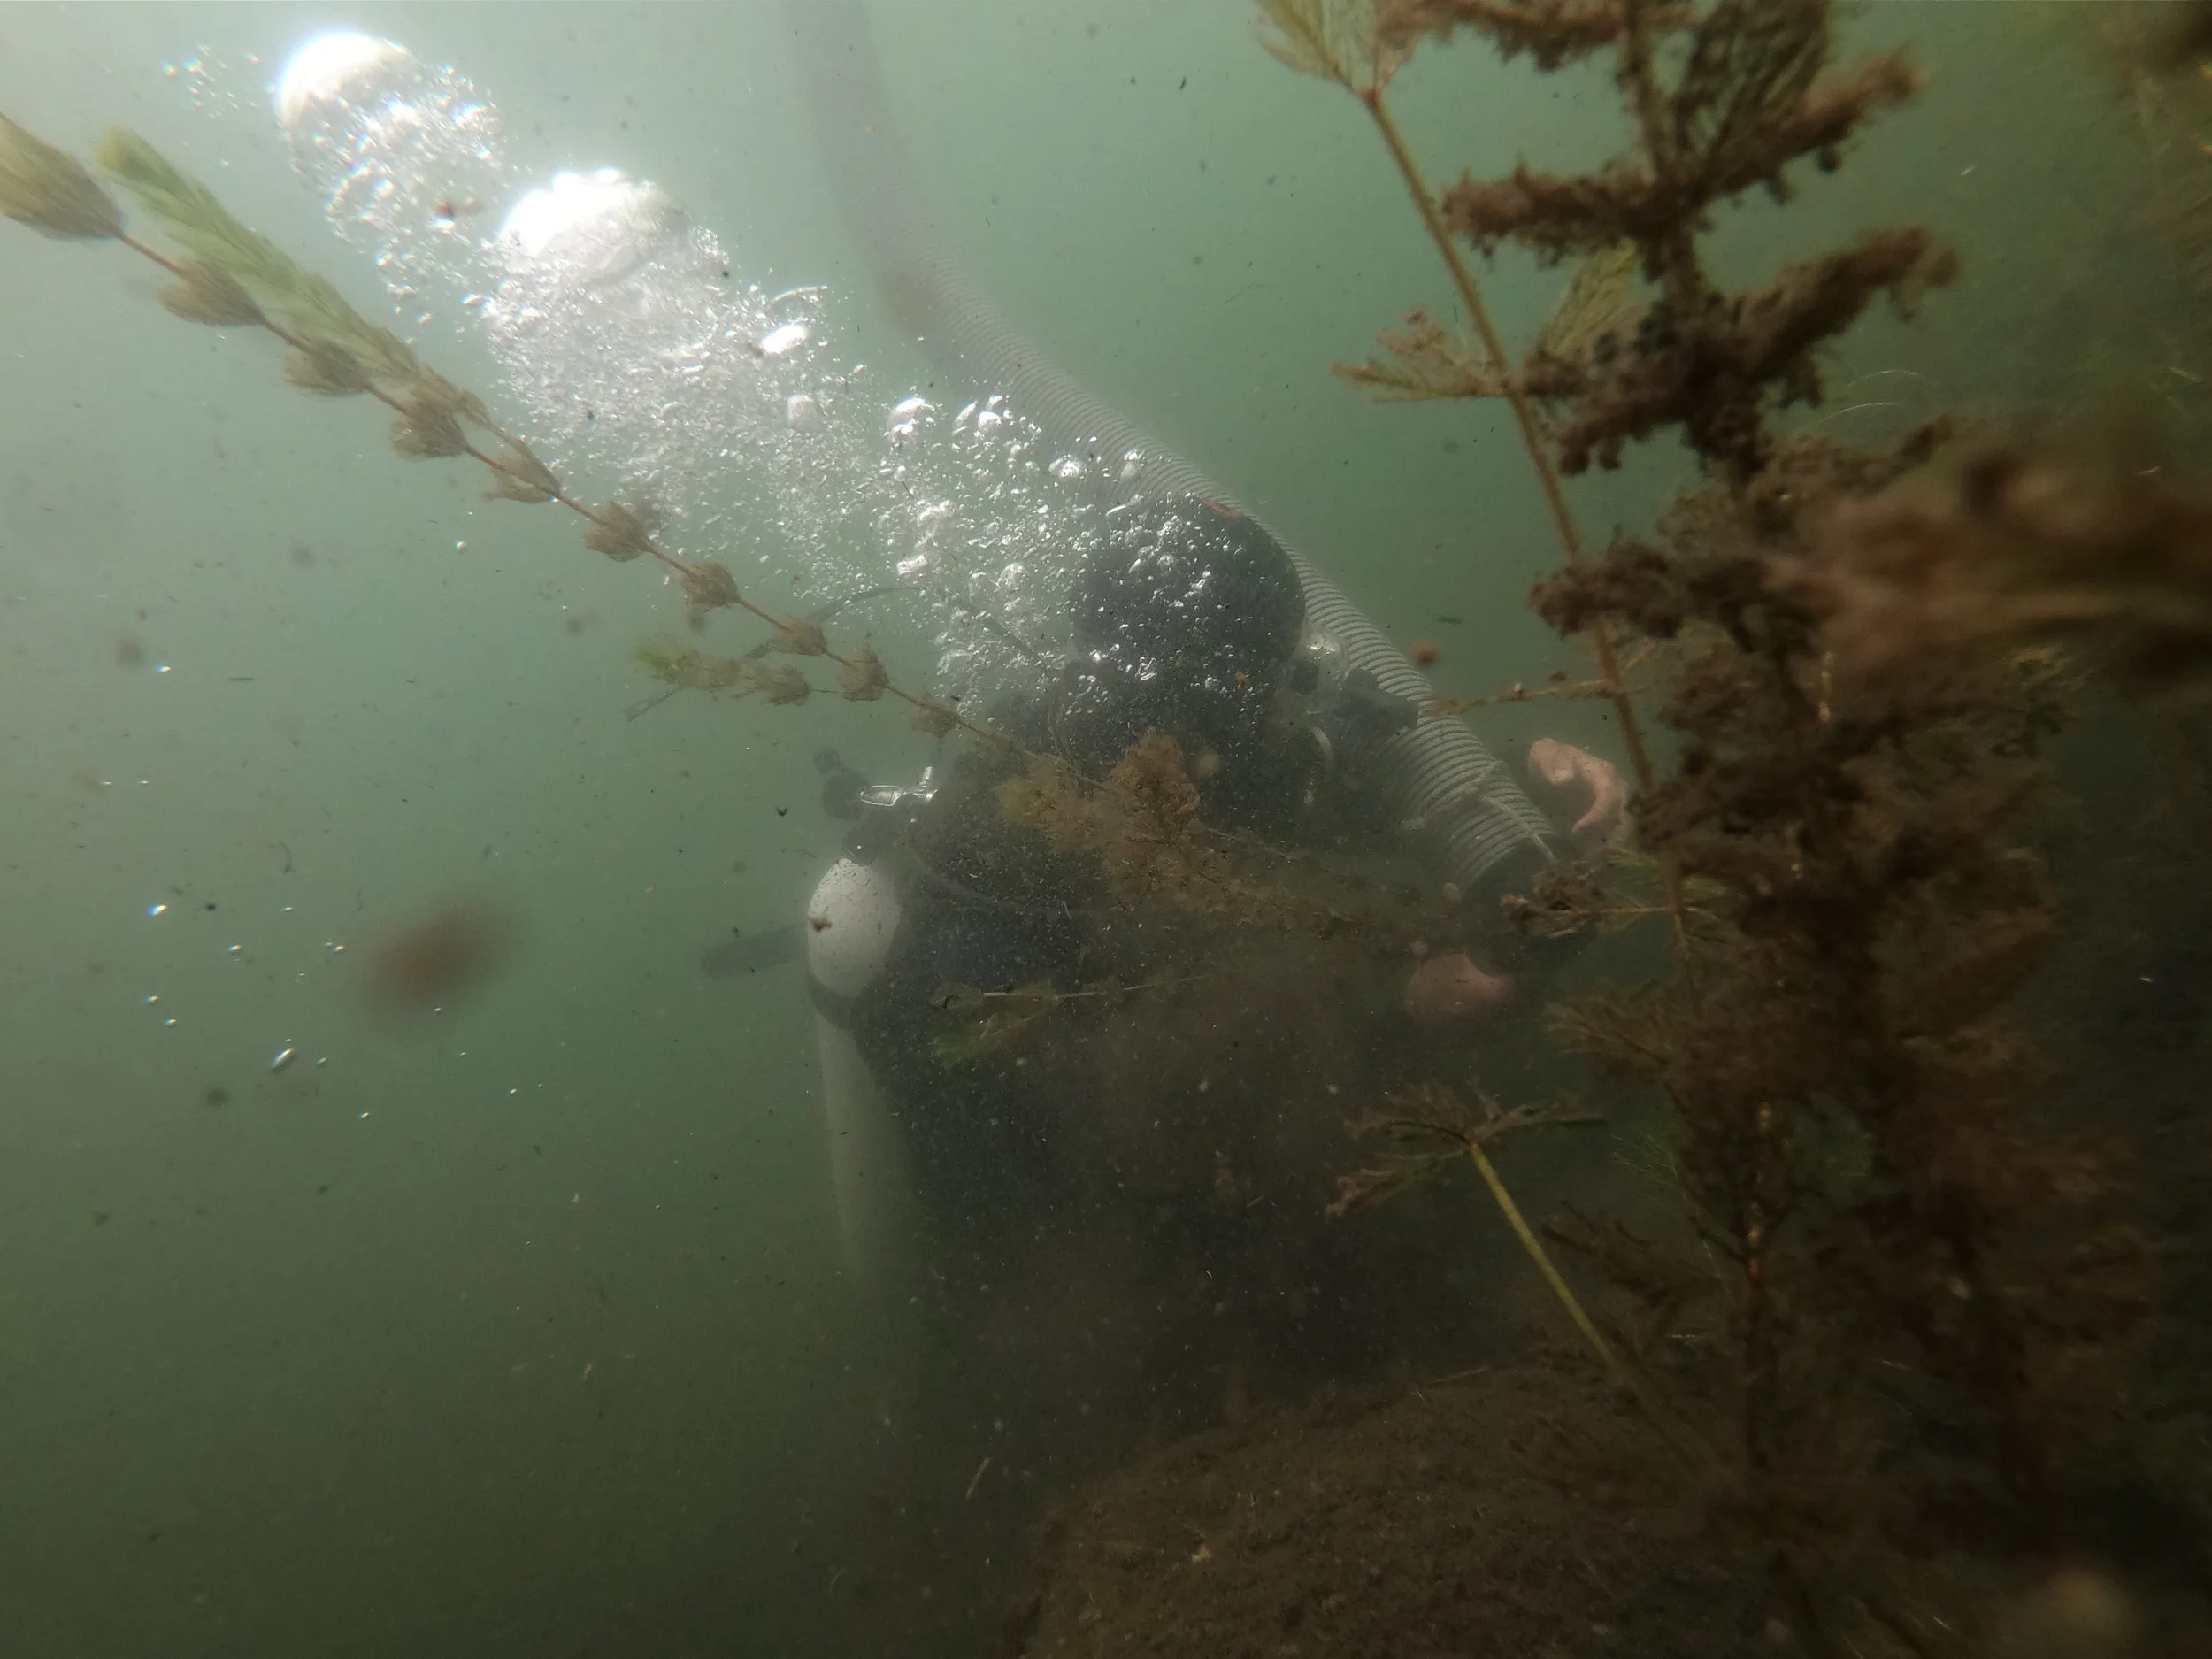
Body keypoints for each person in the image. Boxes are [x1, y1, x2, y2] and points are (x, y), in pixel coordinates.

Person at [804, 493, 1624, 1457]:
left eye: (1237, 704)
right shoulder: (1001, 833)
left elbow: (1374, 774)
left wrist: (1519, 778)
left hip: (1167, 1117)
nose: (1198, 758)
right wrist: (1398, 1007)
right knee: (1033, 1334)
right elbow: (1079, 1112)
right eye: (1165, 713)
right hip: (1015, 1159)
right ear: (1103, 679)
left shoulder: (1248, 744)